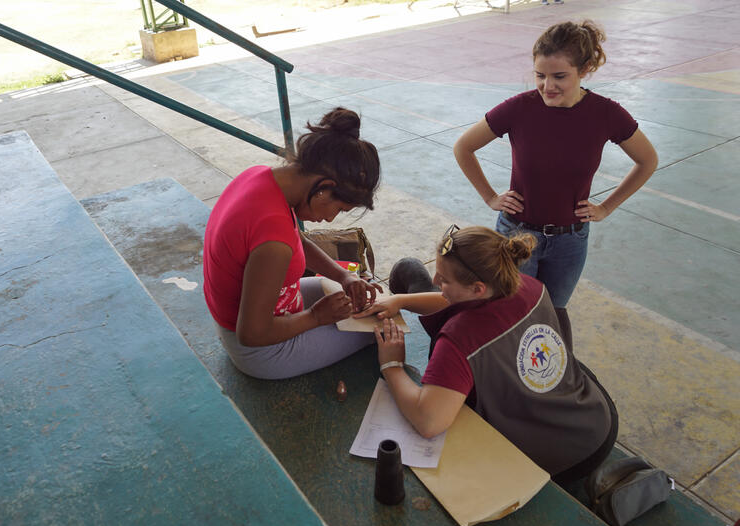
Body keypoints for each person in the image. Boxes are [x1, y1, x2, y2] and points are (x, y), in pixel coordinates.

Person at [356, 225, 618, 483]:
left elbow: (429, 423)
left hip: (563, 460)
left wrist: (391, 364)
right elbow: (458, 300)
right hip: (598, 418)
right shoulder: (528, 285)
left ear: (478, 288)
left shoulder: (458, 340)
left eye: (444, 279)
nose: (435, 281)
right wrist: (400, 301)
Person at [453, 20, 658, 345]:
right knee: (511, 319)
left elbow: (648, 160)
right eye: (540, 75)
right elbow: (463, 146)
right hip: (516, 237)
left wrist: (606, 207)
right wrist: (490, 196)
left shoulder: (606, 114)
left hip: (570, 241)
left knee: (550, 317)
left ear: (585, 69)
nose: (547, 85)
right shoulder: (519, 108)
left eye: (559, 76)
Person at [203, 107, 383, 379]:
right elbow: (252, 333)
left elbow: (293, 238)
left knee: (355, 303)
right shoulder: (273, 244)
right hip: (260, 350)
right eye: (339, 208)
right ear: (324, 186)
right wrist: (314, 318)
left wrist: (344, 276)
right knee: (380, 329)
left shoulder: (261, 177)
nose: (331, 218)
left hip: (256, 307)